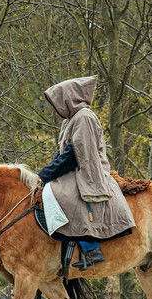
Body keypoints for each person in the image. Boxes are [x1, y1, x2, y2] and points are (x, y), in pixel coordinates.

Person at [37, 76, 135, 270]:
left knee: (63, 195)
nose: (56, 106)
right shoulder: (71, 119)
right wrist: (46, 172)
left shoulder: (84, 117)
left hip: (88, 170)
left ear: (68, 98)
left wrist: (45, 174)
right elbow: (64, 154)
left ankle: (91, 249)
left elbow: (74, 155)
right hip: (77, 167)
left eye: (59, 100)